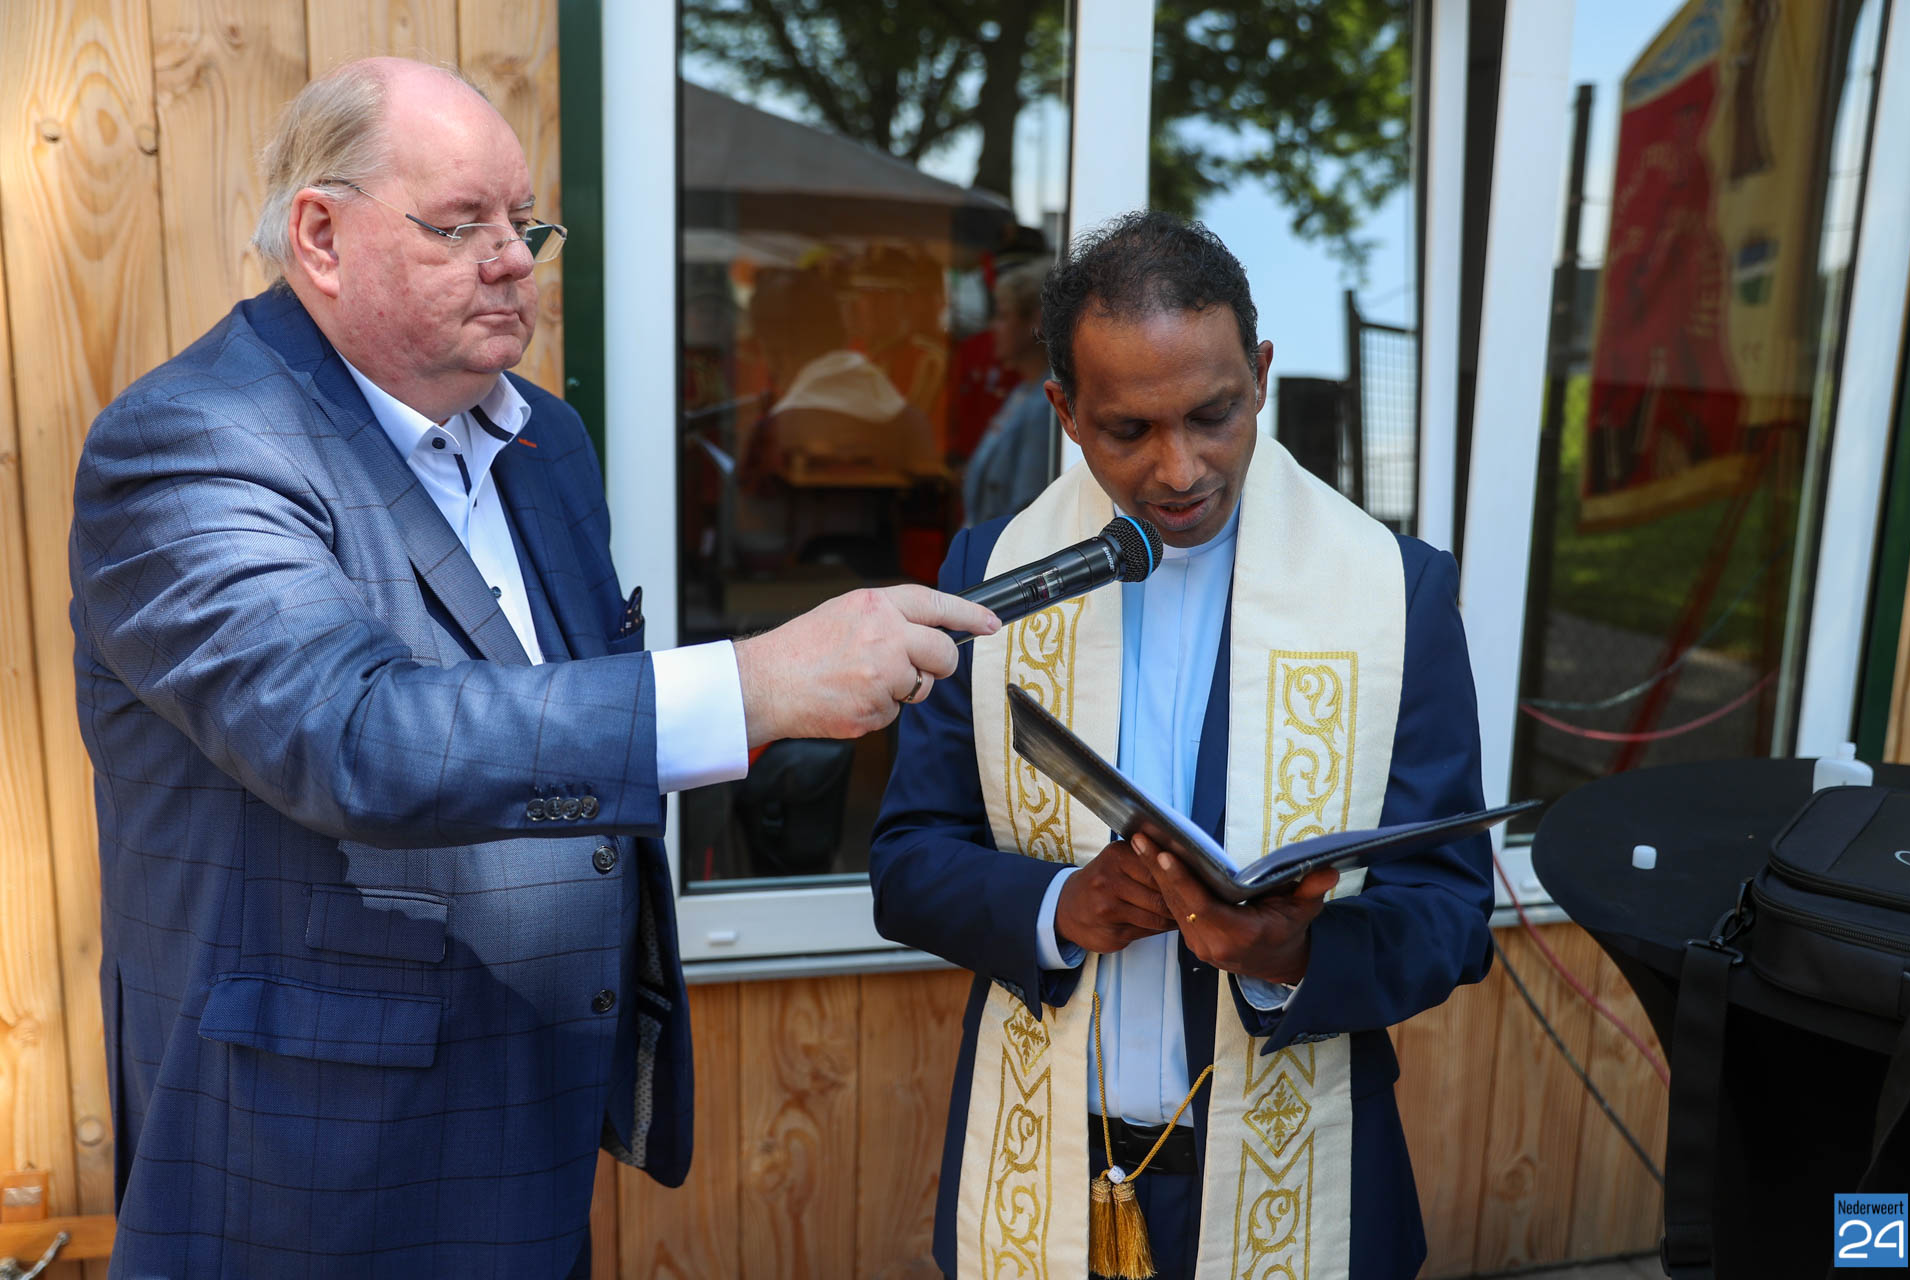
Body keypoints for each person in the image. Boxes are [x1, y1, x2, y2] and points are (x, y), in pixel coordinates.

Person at [68, 58, 995, 1278]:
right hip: (304, 1166)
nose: (514, 259)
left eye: (525, 223)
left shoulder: (545, 436)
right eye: (463, 225)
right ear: (321, 236)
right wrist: (753, 685)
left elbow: (546, 729)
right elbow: (351, 734)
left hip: (532, 1130)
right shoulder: (193, 441)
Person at [870, 212, 1494, 1280]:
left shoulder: (1396, 592)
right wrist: (1058, 907)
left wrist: (1290, 954)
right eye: (1128, 430)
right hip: (1047, 1163)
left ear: (1261, 375)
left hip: (1303, 1172)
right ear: (1065, 412)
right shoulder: (994, 572)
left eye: (1214, 414)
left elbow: (1450, 910)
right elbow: (909, 859)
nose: (1180, 467)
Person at [962, 258, 1056, 525]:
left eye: (1003, 316)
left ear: (1035, 322)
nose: (994, 327)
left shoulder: (1044, 406)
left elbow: (1026, 510)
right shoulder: (1024, 393)